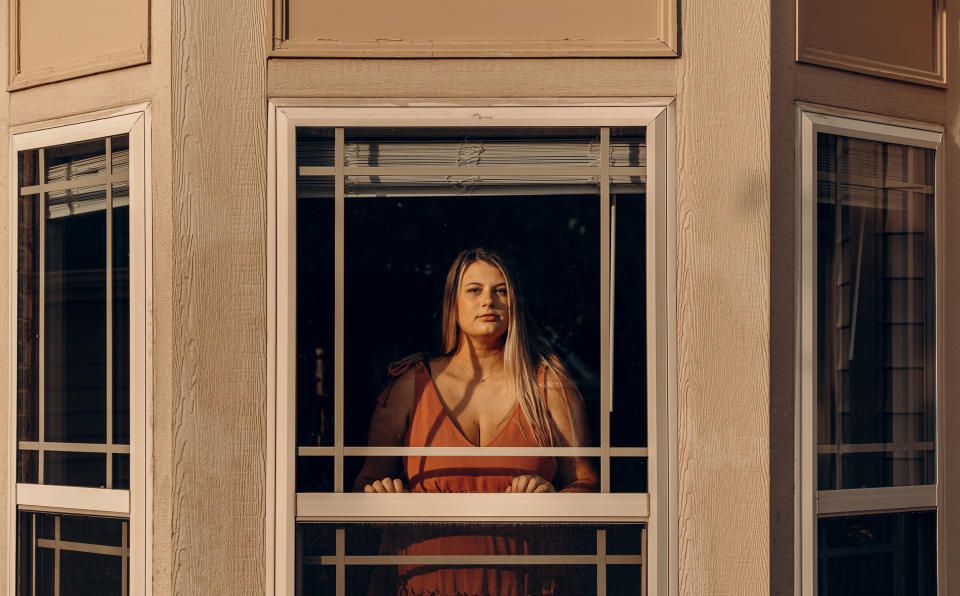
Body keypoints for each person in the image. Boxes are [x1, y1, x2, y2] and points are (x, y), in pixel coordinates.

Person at [353, 247, 598, 595]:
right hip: (422, 581)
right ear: (453, 304)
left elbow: (587, 483)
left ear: (515, 304)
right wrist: (380, 491)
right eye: (474, 290)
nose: (489, 301)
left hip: (527, 582)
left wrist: (552, 496)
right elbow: (366, 480)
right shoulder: (411, 385)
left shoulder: (548, 386)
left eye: (501, 291)